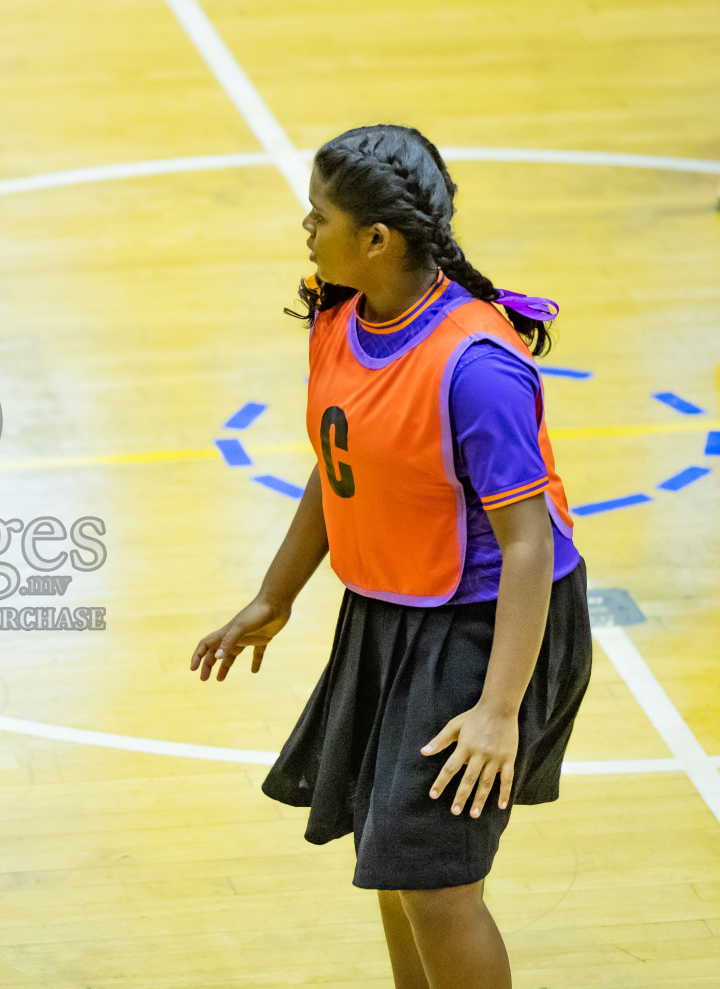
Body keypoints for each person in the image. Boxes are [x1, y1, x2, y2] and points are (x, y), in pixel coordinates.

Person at [191, 125, 592, 989]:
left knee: (439, 886)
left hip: (487, 624)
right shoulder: (339, 311)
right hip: (391, 606)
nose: (306, 227)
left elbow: (527, 545)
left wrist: (496, 711)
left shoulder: (476, 366)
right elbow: (345, 463)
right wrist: (277, 594)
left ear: (378, 239)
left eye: (320, 214)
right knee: (393, 859)